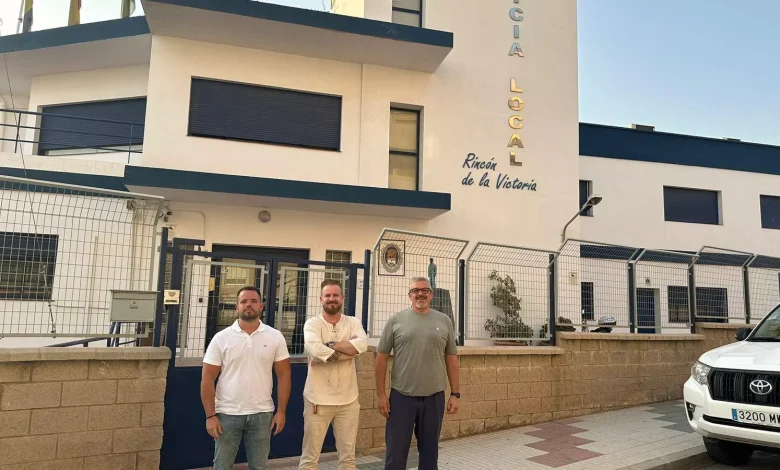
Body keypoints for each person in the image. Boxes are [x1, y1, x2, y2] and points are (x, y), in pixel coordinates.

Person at [201, 286, 291, 470]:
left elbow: (284, 375)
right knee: (222, 466)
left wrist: (281, 411)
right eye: (244, 301)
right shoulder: (221, 338)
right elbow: (207, 378)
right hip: (227, 414)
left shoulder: (275, 337)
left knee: (259, 466)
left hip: (262, 414)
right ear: (237, 306)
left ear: (261, 306)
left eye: (253, 301)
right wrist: (210, 415)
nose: (248, 305)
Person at [375, 277, 460, 470]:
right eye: (415, 290)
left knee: (430, 454)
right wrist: (381, 395)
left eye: (424, 290)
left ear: (431, 294)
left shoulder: (444, 321)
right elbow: (381, 359)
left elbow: (451, 359)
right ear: (410, 295)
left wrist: (455, 394)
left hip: (434, 399)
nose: (420, 294)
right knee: (396, 454)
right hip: (401, 398)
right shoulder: (395, 321)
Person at [299, 279, 368, 470]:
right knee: (310, 458)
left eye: (335, 295)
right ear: (321, 299)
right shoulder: (312, 324)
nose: (332, 299)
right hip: (317, 401)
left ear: (342, 298)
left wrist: (329, 346)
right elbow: (315, 350)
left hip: (348, 401)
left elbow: (362, 345)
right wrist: (349, 353)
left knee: (348, 459)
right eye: (327, 295)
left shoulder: (353, 322)